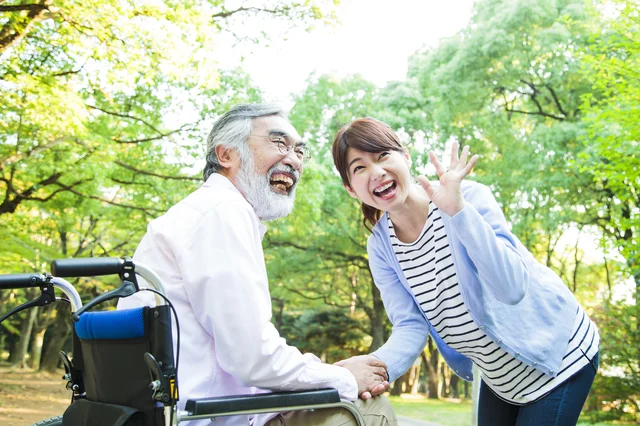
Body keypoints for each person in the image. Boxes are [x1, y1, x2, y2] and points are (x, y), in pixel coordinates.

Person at [118, 105, 396, 426]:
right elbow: (251, 358)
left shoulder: (203, 212)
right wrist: (343, 377)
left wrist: (328, 374)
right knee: (369, 408)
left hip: (180, 410)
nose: (293, 159)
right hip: (198, 418)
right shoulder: (223, 212)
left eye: (300, 151)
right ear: (226, 155)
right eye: (279, 143)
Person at [331, 117, 600, 426]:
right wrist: (373, 369)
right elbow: (410, 325)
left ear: (405, 157)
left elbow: (511, 288)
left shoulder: (468, 197)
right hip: (500, 379)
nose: (377, 172)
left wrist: (458, 212)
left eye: (382, 156)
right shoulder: (381, 247)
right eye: (359, 167)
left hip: (560, 355)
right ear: (351, 189)